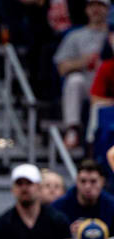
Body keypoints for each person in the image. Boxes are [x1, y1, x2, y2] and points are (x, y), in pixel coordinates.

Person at [53, 0, 109, 148]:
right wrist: (82, 62)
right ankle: (72, 129)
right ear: (86, 9)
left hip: (108, 88)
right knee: (74, 80)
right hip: (87, 83)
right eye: (92, 5)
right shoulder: (75, 35)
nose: (96, 9)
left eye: (100, 5)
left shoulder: (111, 35)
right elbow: (61, 67)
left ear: (108, 9)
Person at [52, 159, 114, 235]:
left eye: (93, 181)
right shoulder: (58, 208)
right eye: (83, 181)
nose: (87, 186)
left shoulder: (111, 206)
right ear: (76, 181)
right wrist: (67, 232)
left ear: (102, 181)